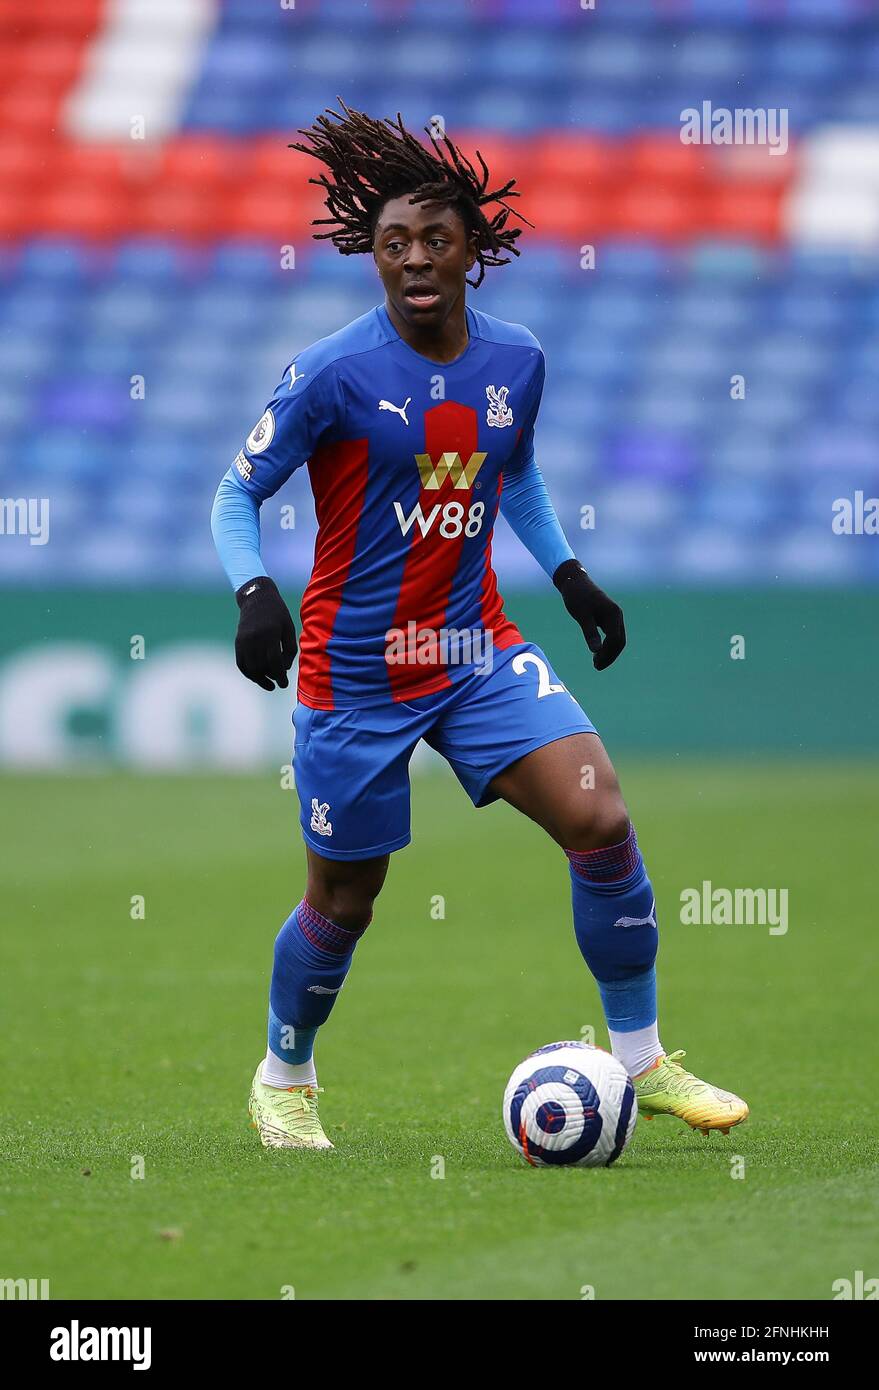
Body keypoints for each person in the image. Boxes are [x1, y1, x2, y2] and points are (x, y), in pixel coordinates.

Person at [211, 102, 748, 1150]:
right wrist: (251, 590)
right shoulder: (333, 370)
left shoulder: (517, 360)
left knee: (598, 814)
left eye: (435, 241)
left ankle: (645, 1060)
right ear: (372, 258)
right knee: (346, 899)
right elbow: (236, 493)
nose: (414, 260)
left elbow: (517, 472)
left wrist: (571, 570)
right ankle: (285, 1075)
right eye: (393, 245)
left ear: (474, 253)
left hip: (472, 649)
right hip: (356, 672)